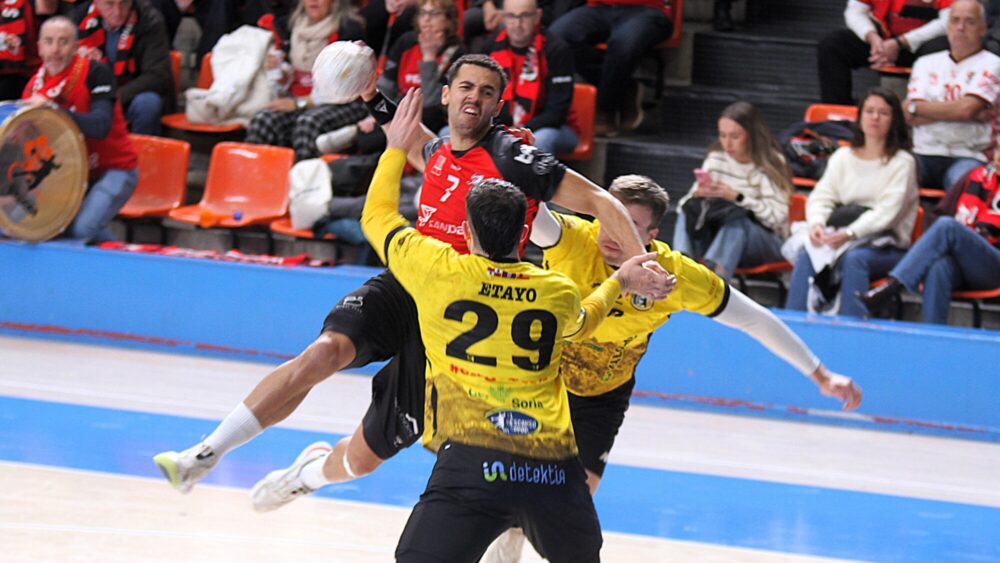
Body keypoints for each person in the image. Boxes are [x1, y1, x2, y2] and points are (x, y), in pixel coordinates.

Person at [152, 55, 673, 509]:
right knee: (323, 353)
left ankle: (304, 476)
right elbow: (416, 140)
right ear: (445, 95)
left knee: (362, 458)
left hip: (455, 316)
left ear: (498, 106)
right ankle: (204, 454)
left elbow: (601, 200)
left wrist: (642, 263)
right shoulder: (440, 150)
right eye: (465, 87)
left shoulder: (514, 158)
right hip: (408, 283)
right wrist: (370, 95)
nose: (474, 98)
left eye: (486, 92)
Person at [479, 174, 865, 563]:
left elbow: (753, 318)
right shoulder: (570, 239)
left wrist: (820, 374)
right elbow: (523, 197)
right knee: (517, 490)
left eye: (629, 225)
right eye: (609, 217)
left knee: (565, 508)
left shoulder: (672, 276)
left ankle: (519, 531)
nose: (612, 233)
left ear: (651, 235)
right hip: (542, 384)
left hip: (602, 398)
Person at [362, 90, 660, 562]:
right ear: (524, 232)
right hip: (551, 468)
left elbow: (377, 215)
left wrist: (396, 148)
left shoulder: (437, 269)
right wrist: (620, 280)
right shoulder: (556, 290)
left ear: (467, 232)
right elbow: (584, 322)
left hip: (470, 462)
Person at [785, 87, 919, 318]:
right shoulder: (842, 157)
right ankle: (793, 325)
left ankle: (852, 327)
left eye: (883, 113)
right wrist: (817, 224)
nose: (875, 117)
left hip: (884, 244)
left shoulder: (903, 162)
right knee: (809, 252)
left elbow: (888, 212)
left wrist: (850, 233)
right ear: (860, 116)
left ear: (894, 120)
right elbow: (822, 196)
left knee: (855, 259)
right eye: (869, 111)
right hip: (840, 235)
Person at [22, 16, 138, 242]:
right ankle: (117, 252)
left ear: (76, 47)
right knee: (43, 225)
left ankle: (121, 258)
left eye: (63, 42)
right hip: (69, 176)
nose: (55, 49)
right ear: (39, 47)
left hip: (115, 168)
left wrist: (53, 111)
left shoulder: (96, 73)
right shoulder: (32, 89)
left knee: (83, 229)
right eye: (49, 41)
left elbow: (100, 126)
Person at [861, 140, 1000, 324]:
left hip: (995, 263)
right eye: (998, 149)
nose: (998, 157)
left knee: (948, 226)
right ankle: (932, 334)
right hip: (968, 259)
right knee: (939, 267)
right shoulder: (977, 176)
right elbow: (945, 212)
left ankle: (893, 285)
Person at [671, 101, 793, 280]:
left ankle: (714, 280)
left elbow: (777, 218)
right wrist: (698, 195)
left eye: (735, 136)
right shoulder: (715, 159)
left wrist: (738, 197)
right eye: (722, 135)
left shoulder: (771, 163)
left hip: (766, 241)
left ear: (752, 135)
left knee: (737, 219)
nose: (727, 143)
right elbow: (682, 205)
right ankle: (680, 270)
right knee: (687, 210)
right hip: (718, 235)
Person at [245, 0, 368, 161]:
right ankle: (257, 174)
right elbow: (291, 77)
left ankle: (306, 176)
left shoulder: (349, 30)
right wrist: (281, 75)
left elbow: (345, 86)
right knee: (263, 120)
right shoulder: (291, 26)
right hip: (299, 100)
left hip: (344, 103)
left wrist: (300, 103)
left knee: (307, 124)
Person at [904, 0, 1000, 190]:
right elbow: (908, 115)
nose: (961, 28)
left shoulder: (994, 64)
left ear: (983, 29)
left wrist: (919, 108)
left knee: (963, 185)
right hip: (924, 153)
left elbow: (966, 110)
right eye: (955, 21)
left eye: (970, 22)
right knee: (894, 175)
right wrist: (961, 109)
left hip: (970, 156)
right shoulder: (925, 63)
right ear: (947, 26)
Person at [549, 0, 674, 136]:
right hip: (600, 7)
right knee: (558, 37)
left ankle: (605, 111)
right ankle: (624, 88)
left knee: (623, 43)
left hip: (648, 8)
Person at [481, 0, 579, 156]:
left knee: (541, 140)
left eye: (525, 16)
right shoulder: (490, 47)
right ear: (503, 17)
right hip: (503, 127)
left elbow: (557, 113)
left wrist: (518, 130)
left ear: (537, 16)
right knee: (449, 132)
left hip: (555, 129)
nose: (517, 24)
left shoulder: (556, 49)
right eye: (511, 16)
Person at [817, 0, 951, 105]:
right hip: (882, 42)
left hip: (922, 45)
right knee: (833, 45)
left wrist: (901, 42)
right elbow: (855, 10)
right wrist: (872, 37)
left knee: (942, 50)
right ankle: (837, 118)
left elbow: (948, 21)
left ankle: (930, 112)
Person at [72, 0, 174, 135]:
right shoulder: (79, 18)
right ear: (96, 2)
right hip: (93, 94)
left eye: (124, 3)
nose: (117, 12)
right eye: (109, 4)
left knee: (148, 103)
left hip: (130, 95)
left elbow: (158, 75)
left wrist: (112, 97)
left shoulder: (149, 19)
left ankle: (142, 148)